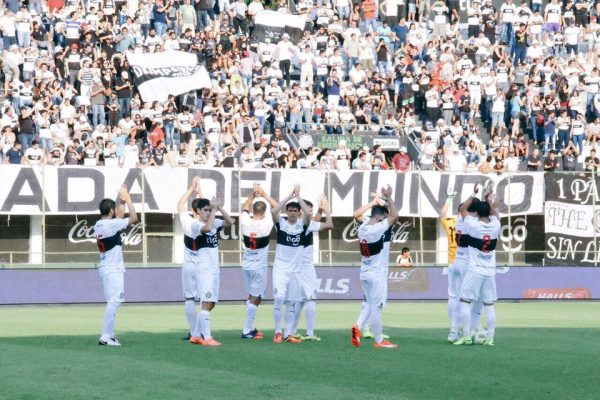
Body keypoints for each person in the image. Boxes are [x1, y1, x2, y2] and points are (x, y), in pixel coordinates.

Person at [352, 185, 398, 349]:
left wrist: (374, 202)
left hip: (365, 272)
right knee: (377, 307)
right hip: (378, 273)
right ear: (380, 218)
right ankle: (379, 340)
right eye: (384, 219)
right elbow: (394, 215)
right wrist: (389, 197)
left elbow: (356, 214)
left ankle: (358, 326)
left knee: (369, 303)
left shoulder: (363, 227)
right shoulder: (379, 228)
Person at [454, 184, 501, 346]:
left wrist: (474, 194)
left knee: (464, 301)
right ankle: (490, 338)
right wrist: (492, 203)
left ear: (477, 214)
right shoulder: (496, 225)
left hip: (475, 270)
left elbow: (463, 209)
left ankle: (466, 336)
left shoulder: (473, 226)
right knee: (489, 306)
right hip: (490, 272)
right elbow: (495, 213)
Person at [187, 189, 234, 347]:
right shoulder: (195, 225)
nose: (208, 212)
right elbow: (206, 229)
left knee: (211, 303)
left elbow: (230, 222)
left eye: (209, 209)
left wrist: (219, 208)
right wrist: (214, 210)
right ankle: (206, 337)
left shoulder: (215, 221)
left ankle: (195, 335)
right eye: (205, 210)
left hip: (214, 269)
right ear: (198, 211)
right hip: (204, 270)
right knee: (206, 302)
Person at [94, 185, 137, 346]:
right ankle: (105, 336)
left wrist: (122, 200)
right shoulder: (110, 225)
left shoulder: (99, 224)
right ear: (111, 211)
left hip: (107, 267)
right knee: (115, 301)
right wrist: (129, 199)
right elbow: (133, 218)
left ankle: (110, 335)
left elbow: (119, 216)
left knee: (112, 301)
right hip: (113, 269)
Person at [270, 185, 312, 344]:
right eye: (290, 211)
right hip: (281, 268)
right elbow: (273, 212)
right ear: (286, 212)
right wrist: (289, 196)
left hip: (296, 270)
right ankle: (277, 332)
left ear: (298, 212)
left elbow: (308, 213)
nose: (293, 213)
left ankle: (288, 334)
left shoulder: (303, 225)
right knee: (279, 297)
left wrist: (298, 197)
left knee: (292, 302)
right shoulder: (281, 223)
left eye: (295, 211)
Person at [290, 195, 333, 341]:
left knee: (299, 301)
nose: (312, 212)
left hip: (294, 267)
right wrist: (327, 210)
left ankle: (292, 331)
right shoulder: (305, 224)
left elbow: (313, 222)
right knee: (311, 299)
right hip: (306, 268)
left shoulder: (291, 224)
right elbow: (329, 225)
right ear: (302, 211)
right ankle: (309, 333)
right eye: (310, 210)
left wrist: (320, 209)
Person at [239, 183, 278, 340]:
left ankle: (251, 328)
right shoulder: (265, 223)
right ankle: (247, 330)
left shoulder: (244, 221)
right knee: (256, 297)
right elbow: (277, 207)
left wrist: (252, 195)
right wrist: (264, 194)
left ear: (254, 211)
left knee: (253, 296)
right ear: (263, 213)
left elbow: (244, 208)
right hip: (259, 266)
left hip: (247, 264)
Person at [177, 176, 204, 341]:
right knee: (203, 300)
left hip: (188, 265)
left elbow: (180, 204)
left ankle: (193, 331)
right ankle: (200, 331)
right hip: (202, 266)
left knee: (188, 298)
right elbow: (207, 208)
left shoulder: (187, 220)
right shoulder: (205, 223)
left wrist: (191, 189)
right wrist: (200, 192)